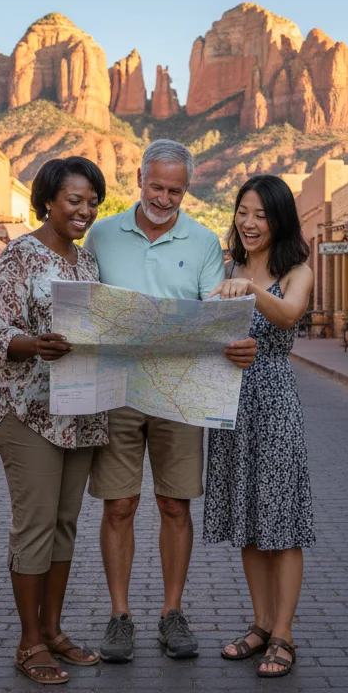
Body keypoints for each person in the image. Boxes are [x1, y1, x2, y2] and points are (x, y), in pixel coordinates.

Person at [83, 139, 257, 663]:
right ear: (139, 178)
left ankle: (171, 612)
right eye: (156, 186)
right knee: (119, 504)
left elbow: (213, 313)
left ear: (187, 189)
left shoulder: (204, 242)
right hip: (115, 389)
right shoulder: (102, 233)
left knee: (175, 504)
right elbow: (84, 301)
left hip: (181, 390)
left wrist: (237, 342)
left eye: (175, 190)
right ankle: (119, 615)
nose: (164, 198)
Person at [0, 156, 109, 685]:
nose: (84, 210)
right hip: (27, 410)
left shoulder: (87, 266)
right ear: (49, 201)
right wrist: (36, 345)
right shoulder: (18, 256)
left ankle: (54, 632)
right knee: (34, 527)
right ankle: (29, 642)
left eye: (92, 201)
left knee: (63, 525)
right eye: (74, 200)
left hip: (79, 409)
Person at [204, 174, 315, 678]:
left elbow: (288, 315)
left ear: (279, 219)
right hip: (231, 403)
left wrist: (247, 287)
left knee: (283, 522)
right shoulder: (226, 267)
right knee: (248, 519)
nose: (248, 223)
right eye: (242, 212)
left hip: (274, 403)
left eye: (260, 214)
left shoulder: (297, 271)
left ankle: (285, 635)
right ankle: (261, 625)